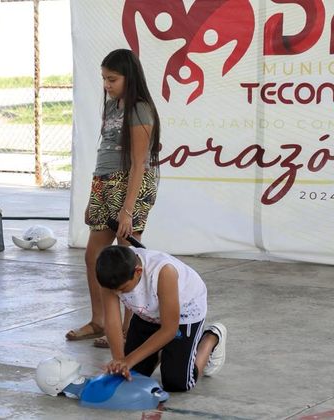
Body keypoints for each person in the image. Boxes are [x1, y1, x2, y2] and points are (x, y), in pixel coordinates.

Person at [65, 49, 161, 348]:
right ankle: (100, 321)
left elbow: (138, 163)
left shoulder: (139, 109)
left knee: (126, 259)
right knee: (93, 256)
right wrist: (96, 195)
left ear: (128, 78)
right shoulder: (113, 104)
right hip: (104, 181)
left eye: (113, 79)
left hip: (129, 184)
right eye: (104, 79)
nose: (107, 85)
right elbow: (107, 148)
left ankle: (127, 328)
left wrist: (127, 209)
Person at [96, 245, 227, 392]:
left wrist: (129, 360)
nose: (117, 293)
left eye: (122, 289)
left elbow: (169, 330)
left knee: (177, 382)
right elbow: (112, 321)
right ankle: (163, 350)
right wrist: (119, 360)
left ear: (138, 271)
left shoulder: (164, 272)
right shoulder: (109, 274)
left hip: (184, 314)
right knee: (134, 374)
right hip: (147, 312)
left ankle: (211, 337)